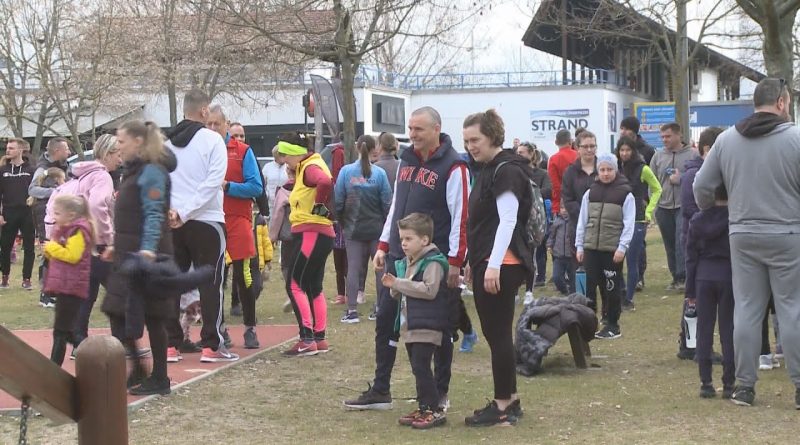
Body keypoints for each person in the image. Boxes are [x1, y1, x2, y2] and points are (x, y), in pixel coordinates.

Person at [344, 107, 469, 412]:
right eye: (410, 129)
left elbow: (461, 217)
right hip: (399, 258)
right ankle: (381, 389)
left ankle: (438, 394)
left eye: (419, 129)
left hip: (433, 262)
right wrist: (384, 245)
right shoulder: (406, 161)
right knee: (385, 321)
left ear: (436, 129)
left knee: (437, 329)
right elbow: (396, 207)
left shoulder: (454, 166)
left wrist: (455, 261)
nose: (412, 135)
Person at [693, 77, 800, 408]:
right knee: (791, 309)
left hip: (742, 233)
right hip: (788, 233)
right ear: (781, 102)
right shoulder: (796, 138)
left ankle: (744, 386)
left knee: (747, 309)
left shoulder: (727, 140)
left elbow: (701, 186)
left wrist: (711, 207)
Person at [462, 109, 531, 426]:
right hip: (490, 261)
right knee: (496, 333)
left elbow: (508, 220)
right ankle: (510, 399)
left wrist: (491, 266)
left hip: (502, 264)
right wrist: (472, 261)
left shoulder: (506, 170)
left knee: (498, 334)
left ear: (492, 136)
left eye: (475, 139)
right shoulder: (490, 168)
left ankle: (502, 404)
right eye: (466, 141)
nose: (470, 146)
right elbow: (484, 222)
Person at [101, 120, 178, 395]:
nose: (118, 147)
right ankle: (138, 368)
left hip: (148, 256)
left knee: (154, 316)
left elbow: (155, 212)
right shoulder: (132, 172)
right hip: (127, 252)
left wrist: (148, 250)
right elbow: (129, 214)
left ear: (138, 141)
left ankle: (159, 377)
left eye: (121, 142)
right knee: (116, 310)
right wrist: (116, 244)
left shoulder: (152, 172)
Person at [164, 89, 236, 362]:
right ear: (204, 111)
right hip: (206, 220)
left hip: (173, 221)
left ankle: (170, 345)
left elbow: (160, 180)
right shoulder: (213, 140)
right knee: (211, 283)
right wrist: (186, 211)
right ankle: (211, 345)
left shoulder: (166, 144)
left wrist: (173, 211)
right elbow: (213, 181)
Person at [383, 213, 450, 429]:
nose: (403, 243)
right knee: (417, 368)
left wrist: (398, 283)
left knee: (422, 366)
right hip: (411, 325)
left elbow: (430, 290)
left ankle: (434, 409)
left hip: (427, 325)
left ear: (424, 240)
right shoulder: (408, 263)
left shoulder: (433, 262)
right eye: (401, 239)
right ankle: (423, 406)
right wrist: (394, 286)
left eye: (408, 239)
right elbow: (404, 292)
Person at [206, 104, 264, 350]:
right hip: (210, 219)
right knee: (213, 277)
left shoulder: (242, 151)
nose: (212, 128)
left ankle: (250, 327)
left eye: (216, 124)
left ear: (226, 125)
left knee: (244, 275)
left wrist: (228, 186)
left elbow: (256, 187)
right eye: (208, 124)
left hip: (237, 219)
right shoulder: (201, 150)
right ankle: (218, 328)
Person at [58, 134, 122, 349]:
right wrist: (108, 238)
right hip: (98, 244)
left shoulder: (83, 175)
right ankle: (122, 341)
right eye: (118, 155)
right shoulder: (102, 177)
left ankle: (79, 342)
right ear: (108, 153)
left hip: (81, 241)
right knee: (119, 292)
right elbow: (96, 206)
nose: (121, 160)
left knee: (87, 294)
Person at [276, 132, 334, 356]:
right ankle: (319, 338)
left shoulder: (310, 167)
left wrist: (319, 206)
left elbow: (324, 182)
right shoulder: (307, 166)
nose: (284, 160)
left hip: (311, 233)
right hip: (320, 233)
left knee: (295, 284)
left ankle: (307, 338)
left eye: (285, 155)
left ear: (294, 153)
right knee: (313, 286)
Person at [575, 153, 635, 339]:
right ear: (598, 170)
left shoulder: (625, 194)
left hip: (612, 250)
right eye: (602, 169)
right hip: (591, 248)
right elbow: (582, 220)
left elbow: (629, 223)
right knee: (590, 287)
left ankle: (612, 324)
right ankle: (589, 322)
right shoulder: (590, 193)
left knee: (611, 288)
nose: (606, 173)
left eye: (609, 169)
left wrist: (622, 247)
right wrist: (579, 245)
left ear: (615, 170)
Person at [335, 135, 392, 323]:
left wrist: (343, 222)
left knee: (353, 268)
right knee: (380, 268)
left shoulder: (346, 172)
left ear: (357, 147)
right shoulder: (380, 174)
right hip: (377, 229)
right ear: (375, 148)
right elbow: (387, 203)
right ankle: (381, 307)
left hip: (353, 228)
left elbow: (338, 201)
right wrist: (385, 224)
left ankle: (352, 310)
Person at [677, 127, 723, 359]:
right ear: (708, 149)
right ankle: (691, 344)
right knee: (694, 294)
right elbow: (690, 208)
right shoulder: (693, 175)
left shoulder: (709, 173)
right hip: (696, 242)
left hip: (706, 241)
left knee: (697, 295)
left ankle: (690, 343)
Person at [685, 185, 734, 399]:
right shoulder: (735, 218)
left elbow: (690, 256)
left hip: (703, 275)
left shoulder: (697, 220)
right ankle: (729, 382)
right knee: (728, 329)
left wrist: (690, 290)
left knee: (704, 329)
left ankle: (706, 381)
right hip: (728, 274)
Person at [44, 194, 94, 366]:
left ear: (71, 215)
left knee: (61, 331)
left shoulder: (78, 231)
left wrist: (53, 247)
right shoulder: (64, 231)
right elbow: (60, 257)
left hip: (72, 287)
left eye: (58, 213)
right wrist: (50, 251)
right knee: (66, 331)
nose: (54, 217)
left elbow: (73, 256)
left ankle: (53, 367)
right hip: (64, 285)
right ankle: (89, 351)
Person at [616, 137, 661, 311]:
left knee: (632, 259)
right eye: (621, 150)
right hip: (619, 218)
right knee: (616, 259)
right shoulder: (616, 168)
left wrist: (649, 210)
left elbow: (657, 189)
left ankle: (628, 299)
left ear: (633, 151)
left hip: (638, 218)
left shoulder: (643, 169)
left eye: (628, 150)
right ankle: (621, 293)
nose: (624, 153)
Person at [650, 122, 694, 290]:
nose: (664, 140)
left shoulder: (692, 154)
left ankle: (683, 277)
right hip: (663, 207)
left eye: (668, 136)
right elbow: (652, 181)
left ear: (679, 135)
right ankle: (675, 276)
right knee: (669, 244)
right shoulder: (658, 156)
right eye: (662, 137)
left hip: (684, 205)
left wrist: (681, 178)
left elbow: (698, 177)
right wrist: (654, 205)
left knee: (681, 241)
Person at [561, 131, 598, 295]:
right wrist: (584, 216)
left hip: (602, 226)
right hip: (578, 226)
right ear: (577, 147)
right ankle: (580, 299)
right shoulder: (570, 172)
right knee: (579, 265)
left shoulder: (604, 168)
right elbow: (568, 199)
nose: (589, 150)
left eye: (592, 146)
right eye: (585, 146)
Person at [516, 141, 552, 303]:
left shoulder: (541, 174)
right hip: (517, 219)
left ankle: (529, 291)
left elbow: (548, 190)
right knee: (515, 257)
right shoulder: (515, 172)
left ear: (531, 154)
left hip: (534, 220)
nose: (518, 155)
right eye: (517, 152)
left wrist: (530, 192)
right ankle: (515, 290)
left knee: (531, 255)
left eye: (522, 152)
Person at [0, 138, 37, 290]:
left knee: (29, 247)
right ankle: (5, 277)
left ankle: (26, 279)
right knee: (5, 247)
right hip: (9, 212)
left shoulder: (31, 170)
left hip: (27, 212)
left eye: (12, 148)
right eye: (7, 148)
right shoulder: (3, 170)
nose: (8, 150)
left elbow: (36, 191)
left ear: (21, 150)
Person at [30, 167, 65, 308]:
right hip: (49, 234)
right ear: (56, 180)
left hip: (47, 233)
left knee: (49, 262)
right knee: (49, 262)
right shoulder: (49, 199)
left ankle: (49, 294)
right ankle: (46, 295)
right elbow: (47, 219)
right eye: (63, 179)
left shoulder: (40, 200)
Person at [547, 129, 578, 218]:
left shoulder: (553, 159)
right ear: (571, 141)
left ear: (556, 142)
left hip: (560, 206)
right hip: (578, 202)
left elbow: (555, 185)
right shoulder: (578, 156)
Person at [262, 145, 288, 214]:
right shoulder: (267, 167)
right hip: (270, 204)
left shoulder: (289, 167)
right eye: (281, 155)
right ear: (276, 155)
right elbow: (263, 184)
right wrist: (266, 196)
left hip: (286, 203)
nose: (284, 157)